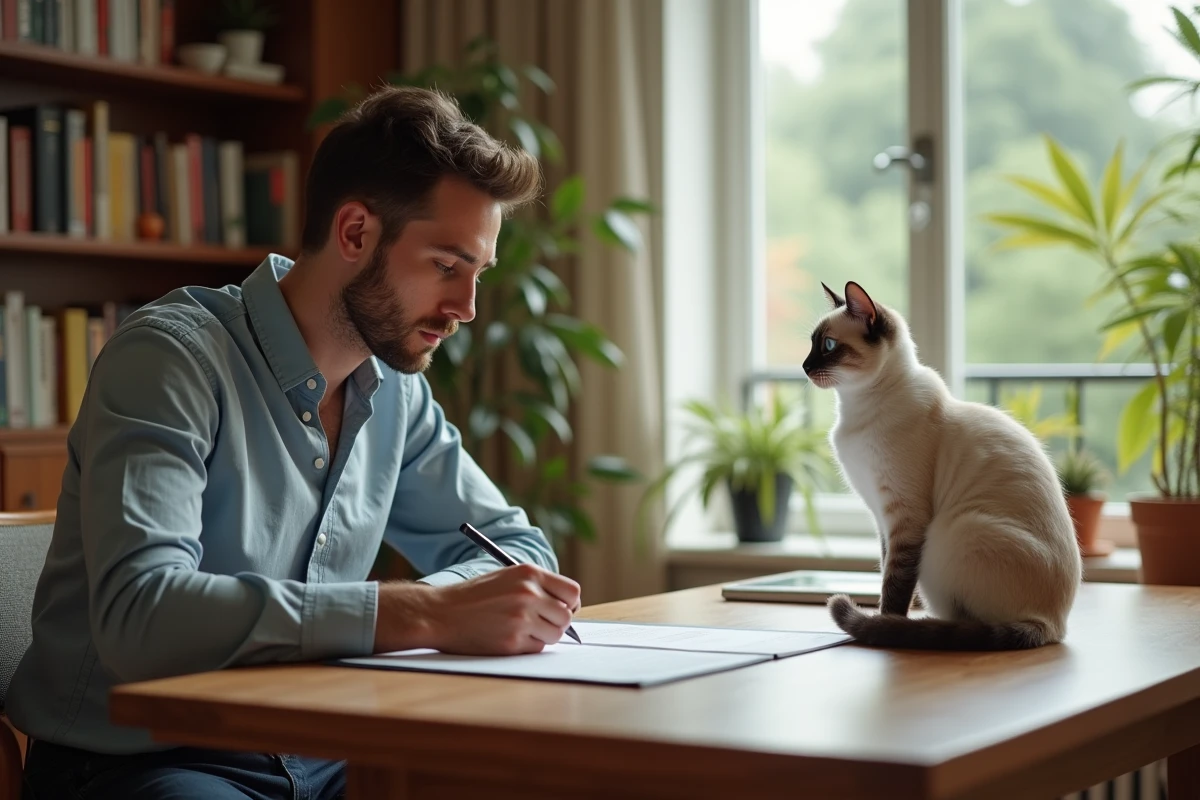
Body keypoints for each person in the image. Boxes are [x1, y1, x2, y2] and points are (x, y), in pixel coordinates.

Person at [11, 84, 582, 800]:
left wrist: (458, 604)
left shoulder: (395, 390)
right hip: (150, 762)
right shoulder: (170, 360)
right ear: (354, 233)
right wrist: (424, 614)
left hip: (327, 748)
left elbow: (519, 552)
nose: (466, 308)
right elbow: (141, 615)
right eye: (445, 265)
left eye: (478, 273)